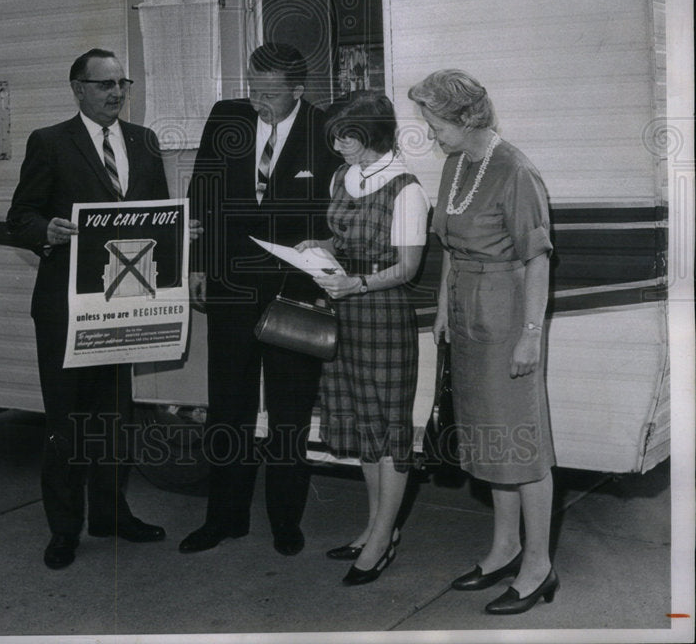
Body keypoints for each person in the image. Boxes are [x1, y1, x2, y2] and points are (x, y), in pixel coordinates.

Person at [7, 48, 176, 570]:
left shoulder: (145, 142)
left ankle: (112, 515)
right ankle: (64, 530)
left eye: (121, 83)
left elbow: (156, 216)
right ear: (78, 88)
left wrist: (179, 239)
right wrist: (47, 232)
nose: (116, 93)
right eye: (104, 85)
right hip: (66, 309)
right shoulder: (50, 142)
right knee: (67, 425)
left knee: (113, 422)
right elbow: (20, 217)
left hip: (123, 307)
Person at [180, 42, 339, 556]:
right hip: (230, 286)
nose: (257, 101)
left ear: (298, 90)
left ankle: (285, 522)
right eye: (253, 88)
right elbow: (201, 189)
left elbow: (337, 211)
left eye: (270, 93)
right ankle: (224, 519)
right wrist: (198, 263)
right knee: (228, 408)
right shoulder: (226, 117)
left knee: (290, 413)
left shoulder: (326, 129)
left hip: (295, 293)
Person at [408, 69, 557, 616]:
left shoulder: (515, 170)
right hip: (468, 318)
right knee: (488, 437)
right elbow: (449, 244)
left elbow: (536, 257)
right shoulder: (455, 165)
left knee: (521, 442)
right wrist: (444, 310)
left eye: (436, 124)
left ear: (466, 118)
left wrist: (531, 336)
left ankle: (539, 565)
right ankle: (504, 547)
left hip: (508, 317)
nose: (431, 135)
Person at [296, 92, 429, 585]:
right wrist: (321, 245)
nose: (338, 145)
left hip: (380, 311)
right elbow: (345, 238)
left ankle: (381, 537)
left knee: (387, 426)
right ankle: (376, 525)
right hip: (343, 309)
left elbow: (408, 268)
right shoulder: (342, 176)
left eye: (346, 136)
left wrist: (358, 283)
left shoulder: (407, 188)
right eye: (334, 136)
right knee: (358, 420)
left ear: (373, 132)